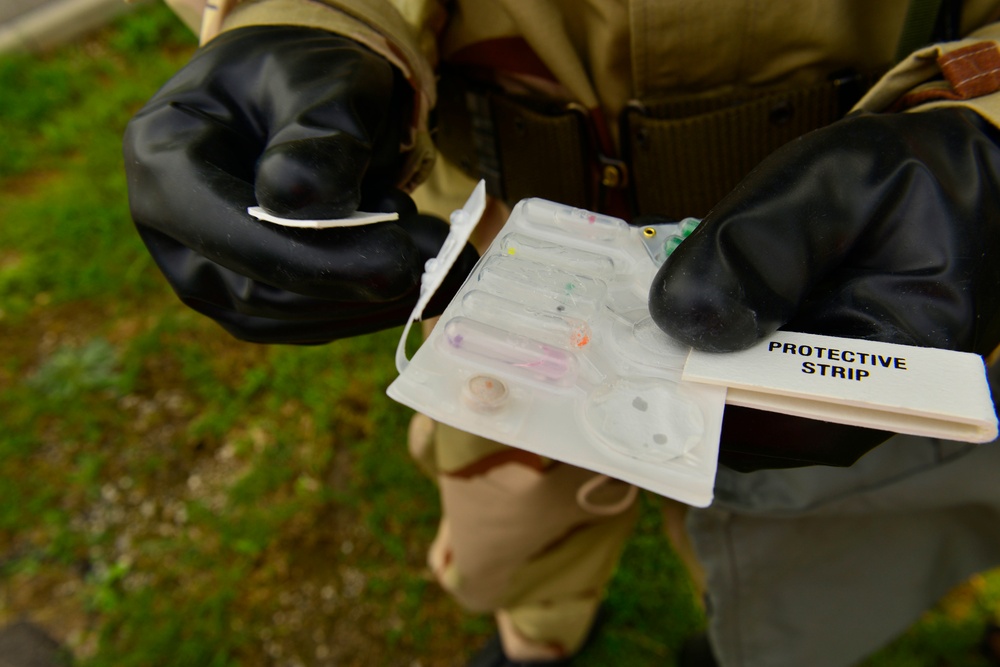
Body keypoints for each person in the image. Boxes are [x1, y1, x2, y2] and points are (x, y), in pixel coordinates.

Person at [123, 1, 1000, 666]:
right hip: (498, 255)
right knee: (508, 485)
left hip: (855, 252)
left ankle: (754, 627)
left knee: (812, 519)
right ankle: (538, 631)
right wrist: (307, 22)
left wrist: (984, 141)